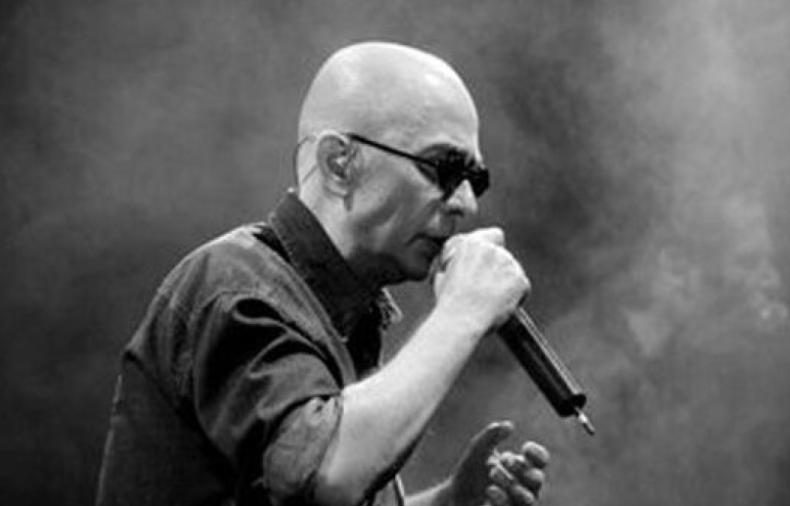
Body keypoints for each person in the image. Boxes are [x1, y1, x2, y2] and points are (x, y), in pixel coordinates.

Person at [95, 41, 551, 506]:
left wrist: (449, 502)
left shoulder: (346, 316)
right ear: (339, 163)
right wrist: (464, 310)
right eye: (444, 168)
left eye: (476, 180)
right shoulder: (234, 284)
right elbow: (329, 476)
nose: (466, 204)